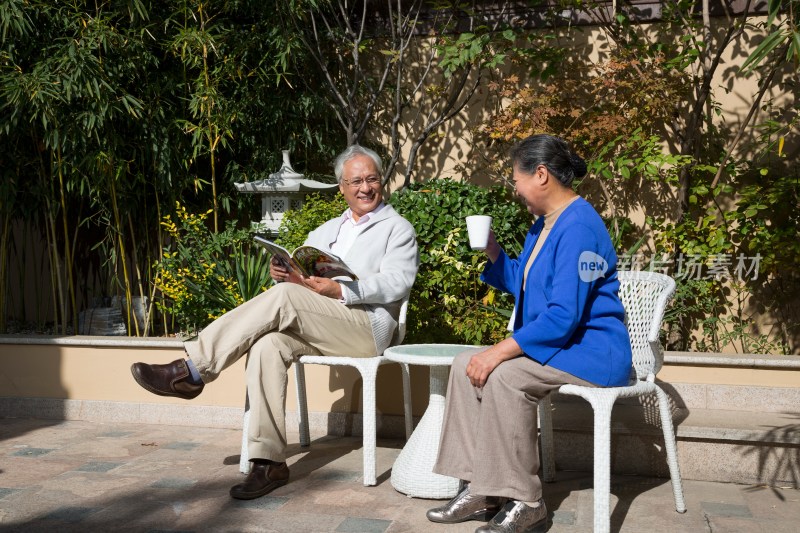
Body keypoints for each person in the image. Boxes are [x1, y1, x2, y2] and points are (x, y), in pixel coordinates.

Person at [131, 144, 419, 500]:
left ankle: (191, 369)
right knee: (267, 345)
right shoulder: (327, 229)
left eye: (372, 179)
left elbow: (398, 282)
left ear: (381, 183)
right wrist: (284, 274)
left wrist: (341, 289)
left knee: (284, 300)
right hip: (321, 325)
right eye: (355, 181)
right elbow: (301, 279)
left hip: (364, 328)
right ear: (341, 188)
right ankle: (269, 462)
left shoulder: (397, 228)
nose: (365, 187)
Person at [427, 134, 632, 532]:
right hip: (563, 345)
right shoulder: (543, 226)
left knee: (504, 375)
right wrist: (493, 252)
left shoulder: (580, 226)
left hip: (592, 350)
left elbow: (563, 314)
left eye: (516, 179)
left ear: (540, 175)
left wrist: (500, 351)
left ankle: (526, 499)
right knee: (464, 364)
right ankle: (482, 487)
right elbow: (525, 282)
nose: (515, 188)